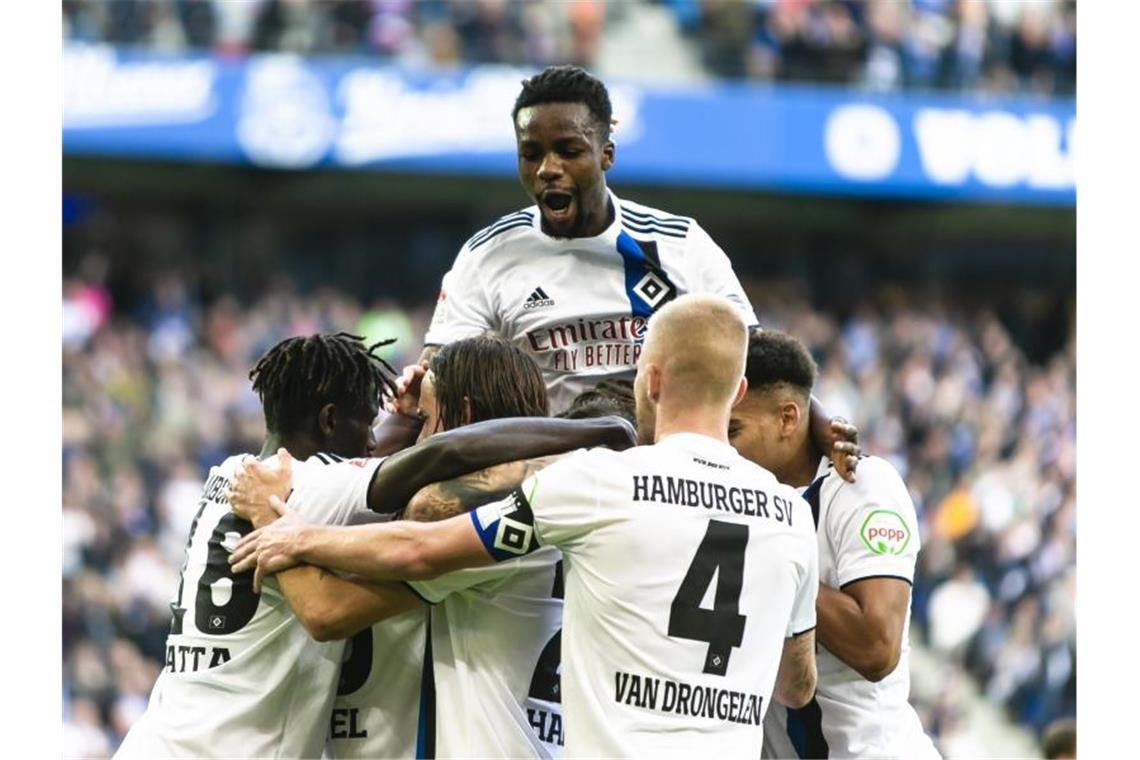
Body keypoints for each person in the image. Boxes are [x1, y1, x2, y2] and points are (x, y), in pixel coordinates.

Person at [229, 295, 820, 757]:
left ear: (654, 379)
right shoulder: (793, 516)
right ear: (738, 389)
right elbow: (796, 686)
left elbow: (417, 545)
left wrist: (293, 531)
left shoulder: (596, 487)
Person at [115, 332, 634, 759]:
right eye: (372, 422)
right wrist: (596, 433)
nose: (387, 435)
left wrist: (285, 529)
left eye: (420, 420)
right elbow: (427, 459)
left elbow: (328, 604)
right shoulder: (321, 489)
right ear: (329, 422)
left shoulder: (242, 477)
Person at [409, 64, 859, 486]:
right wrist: (418, 386)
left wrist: (819, 420)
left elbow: (753, 356)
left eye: (568, 151)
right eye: (531, 154)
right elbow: (438, 377)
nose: (548, 169)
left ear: (606, 154)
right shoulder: (487, 254)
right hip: (542, 472)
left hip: (663, 473)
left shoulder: (680, 244)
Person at [725, 329, 939, 760]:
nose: (723, 446)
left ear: (788, 419)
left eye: (734, 429)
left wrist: (778, 559)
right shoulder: (737, 498)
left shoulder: (861, 486)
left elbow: (878, 648)